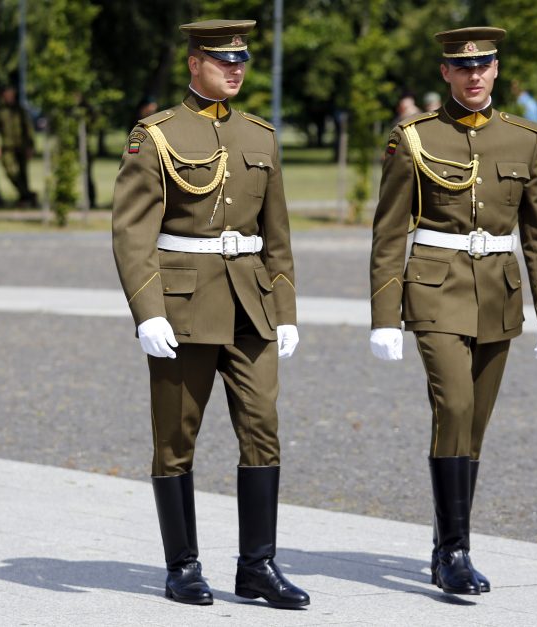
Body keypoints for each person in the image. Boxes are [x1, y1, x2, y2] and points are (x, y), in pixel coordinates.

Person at [111, 19, 308, 609]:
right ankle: (183, 566)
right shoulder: (156, 135)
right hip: (183, 307)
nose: (236, 69)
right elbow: (131, 233)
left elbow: (277, 236)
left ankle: (258, 566)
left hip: (251, 306)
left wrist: (287, 308)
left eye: (242, 60)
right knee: (176, 438)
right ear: (194, 63)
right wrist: (148, 311)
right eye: (223, 60)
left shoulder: (260, 136)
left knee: (263, 429)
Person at [369, 26, 537, 597]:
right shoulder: (413, 138)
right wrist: (384, 315)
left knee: (473, 424)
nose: (474, 75)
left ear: (497, 71)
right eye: (462, 67)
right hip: (434, 288)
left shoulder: (523, 140)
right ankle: (456, 552)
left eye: (484, 66)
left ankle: (445, 542)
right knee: (452, 404)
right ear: (446, 74)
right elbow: (387, 234)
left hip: (499, 294)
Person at [0, 85, 37, 207]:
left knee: (23, 174)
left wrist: (31, 146)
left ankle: (25, 199)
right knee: (10, 171)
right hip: (7, 147)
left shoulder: (20, 110)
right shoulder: (0, 111)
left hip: (21, 146)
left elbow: (28, 129)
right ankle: (28, 195)